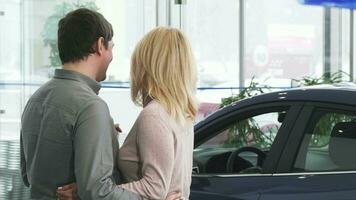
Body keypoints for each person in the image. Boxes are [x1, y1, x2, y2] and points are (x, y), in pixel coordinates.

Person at [20, 8, 182, 200]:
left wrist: (101, 135)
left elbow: (26, 176)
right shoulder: (90, 107)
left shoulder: (35, 100)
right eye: (111, 47)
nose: (112, 57)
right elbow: (98, 192)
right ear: (99, 45)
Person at [117, 27, 198, 199]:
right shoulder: (181, 114)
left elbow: (154, 189)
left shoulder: (154, 115)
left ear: (150, 66)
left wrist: (98, 192)